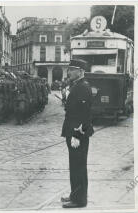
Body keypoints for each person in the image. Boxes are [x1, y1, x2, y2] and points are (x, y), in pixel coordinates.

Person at [61, 59, 94, 208]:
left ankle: (79, 200)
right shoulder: (78, 85)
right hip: (72, 130)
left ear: (80, 71)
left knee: (78, 166)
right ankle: (75, 195)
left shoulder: (83, 87)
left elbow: (84, 115)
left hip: (77, 133)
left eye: (72, 70)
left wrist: (77, 135)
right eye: (69, 69)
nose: (69, 72)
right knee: (74, 165)